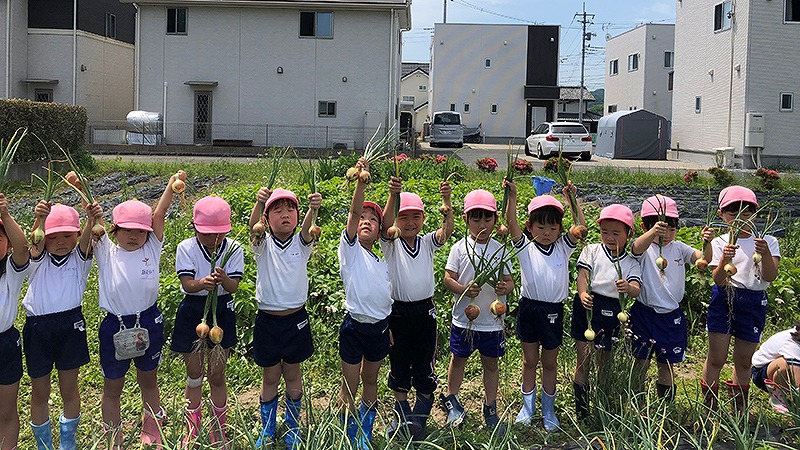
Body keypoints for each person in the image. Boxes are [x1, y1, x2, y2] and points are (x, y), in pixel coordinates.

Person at [94, 175, 177, 448]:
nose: (134, 236)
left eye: (140, 231)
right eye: (127, 230)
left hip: (148, 322)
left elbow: (160, 212)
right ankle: (113, 436)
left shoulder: (152, 248)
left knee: (148, 379)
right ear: (114, 230)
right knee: (113, 385)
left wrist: (171, 185)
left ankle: (152, 424)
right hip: (114, 326)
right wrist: (83, 193)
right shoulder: (105, 251)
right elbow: (93, 220)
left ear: (148, 233)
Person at [504, 180, 585, 431]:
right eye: (541, 226)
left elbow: (580, 227)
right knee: (529, 361)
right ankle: (527, 407)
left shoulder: (563, 247)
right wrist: (513, 197)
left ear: (560, 228)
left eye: (553, 226)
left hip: (553, 312)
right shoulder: (525, 247)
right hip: (529, 309)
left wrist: (572, 199)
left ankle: (548, 409)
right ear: (530, 227)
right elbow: (511, 223)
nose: (547, 232)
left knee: (550, 362)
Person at [380, 178, 453, 439]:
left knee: (424, 362)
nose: (410, 223)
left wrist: (446, 202)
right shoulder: (391, 243)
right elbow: (384, 225)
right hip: (397, 313)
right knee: (398, 362)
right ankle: (401, 412)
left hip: (425, 312)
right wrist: (393, 195)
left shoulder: (427, 242)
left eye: (416, 217)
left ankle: (420, 415)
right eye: (404, 217)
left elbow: (446, 231)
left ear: (423, 218)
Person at [249, 186, 321, 449]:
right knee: (269, 376)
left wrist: (313, 208)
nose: (285, 214)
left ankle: (292, 426)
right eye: (277, 210)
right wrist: (259, 203)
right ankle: (267, 429)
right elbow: (252, 227)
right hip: (268, 321)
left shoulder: (301, 244)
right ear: (266, 220)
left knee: (293, 374)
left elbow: (306, 229)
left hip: (295, 320)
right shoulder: (262, 243)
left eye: (290, 209)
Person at [24, 202, 100, 450]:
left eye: (68, 235)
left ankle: (68, 440)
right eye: (52, 237)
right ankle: (43, 443)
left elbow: (89, 237)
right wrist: (39, 219)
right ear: (43, 237)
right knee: (40, 391)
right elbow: (34, 242)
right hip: (38, 328)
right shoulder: (35, 261)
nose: (60, 242)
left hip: (71, 326)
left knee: (70, 387)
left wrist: (91, 218)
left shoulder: (80, 260)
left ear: (78, 235)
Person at [172, 195, 244, 447]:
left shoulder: (234, 248)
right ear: (194, 228)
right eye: (207, 235)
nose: (214, 241)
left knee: (217, 373)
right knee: (194, 373)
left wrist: (224, 280)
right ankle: (192, 425)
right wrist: (202, 283)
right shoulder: (186, 248)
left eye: (219, 235)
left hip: (221, 312)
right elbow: (187, 284)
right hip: (194, 310)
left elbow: (234, 286)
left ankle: (218, 426)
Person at [701, 186, 780, 414]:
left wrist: (764, 253)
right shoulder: (719, 243)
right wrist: (726, 256)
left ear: (755, 215)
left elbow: (770, 276)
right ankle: (708, 408)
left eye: (746, 214)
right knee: (717, 357)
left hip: (753, 301)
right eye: (733, 214)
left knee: (744, 360)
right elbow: (719, 280)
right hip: (724, 299)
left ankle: (739, 409)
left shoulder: (767, 241)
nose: (740, 219)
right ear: (721, 215)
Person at [442, 189, 514, 433]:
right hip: (465, 318)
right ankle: (452, 399)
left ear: (495, 220)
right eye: (476, 218)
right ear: (465, 219)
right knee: (458, 359)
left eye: (487, 218)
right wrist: (464, 289)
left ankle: (490, 407)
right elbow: (447, 279)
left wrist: (505, 286)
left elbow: (510, 281)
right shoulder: (460, 248)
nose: (482, 224)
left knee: (490, 364)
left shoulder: (500, 250)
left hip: (492, 320)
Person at [629, 195, 713, 401]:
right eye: (660, 229)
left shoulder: (679, 248)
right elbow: (635, 247)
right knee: (641, 361)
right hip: (644, 313)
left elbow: (703, 260)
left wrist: (707, 243)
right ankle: (636, 401)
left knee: (666, 363)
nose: (666, 234)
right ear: (645, 227)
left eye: (671, 229)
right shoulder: (644, 248)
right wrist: (652, 233)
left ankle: (665, 405)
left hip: (671, 316)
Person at [338, 158, 392, 449]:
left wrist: (388, 325)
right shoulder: (350, 251)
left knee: (371, 380)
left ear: (380, 229)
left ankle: (365, 430)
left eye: (373, 219)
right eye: (363, 219)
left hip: (379, 329)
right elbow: (354, 210)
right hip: (354, 327)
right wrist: (360, 180)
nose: (366, 221)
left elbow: (385, 299)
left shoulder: (381, 261)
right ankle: (347, 430)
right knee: (350, 382)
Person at [570, 204, 641, 419]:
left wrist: (628, 288)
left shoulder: (631, 262)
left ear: (630, 233)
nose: (609, 237)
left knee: (605, 360)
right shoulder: (591, 250)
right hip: (588, 306)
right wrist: (582, 294)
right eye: (604, 232)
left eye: (616, 233)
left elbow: (637, 290)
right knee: (583, 358)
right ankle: (582, 411)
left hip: (613, 309)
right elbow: (583, 276)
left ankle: (602, 405)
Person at [0, 194, 32, 450]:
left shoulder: (11, 271)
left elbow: (23, 249)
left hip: (5, 344)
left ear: (7, 245)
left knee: (6, 410)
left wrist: (5, 215)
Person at [751, 322, 800, 414]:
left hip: (792, 369)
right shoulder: (792, 343)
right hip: (761, 373)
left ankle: (790, 398)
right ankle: (778, 398)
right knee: (783, 364)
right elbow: (798, 384)